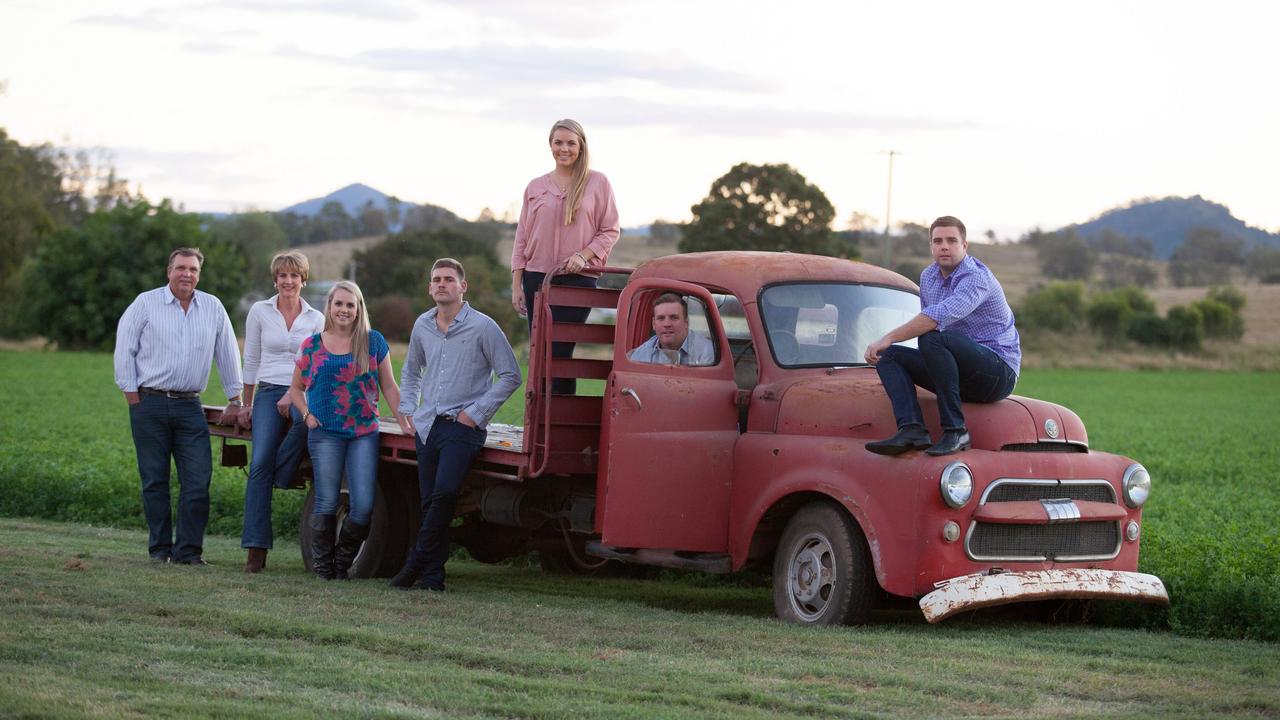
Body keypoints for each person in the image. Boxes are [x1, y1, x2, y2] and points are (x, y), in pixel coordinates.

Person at [390, 258, 520, 592]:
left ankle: (415, 563)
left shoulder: (483, 327)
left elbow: (510, 375)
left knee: (446, 492)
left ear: (463, 286)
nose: (442, 284)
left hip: (463, 428)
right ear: (430, 287)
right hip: (428, 425)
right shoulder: (423, 325)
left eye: (449, 279)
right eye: (436, 280)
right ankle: (433, 577)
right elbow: (411, 369)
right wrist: (407, 408)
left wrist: (475, 413)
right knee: (429, 500)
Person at [114, 248, 243, 565]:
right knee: (155, 481)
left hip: (189, 407)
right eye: (181, 268)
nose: (188, 274)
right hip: (150, 404)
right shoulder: (146, 303)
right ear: (169, 270)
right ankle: (160, 549)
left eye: (194, 269)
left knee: (198, 481)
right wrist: (133, 398)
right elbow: (124, 350)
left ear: (199, 274)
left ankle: (189, 552)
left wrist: (235, 397)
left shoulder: (212, 307)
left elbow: (227, 352)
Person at [863, 216, 1021, 457]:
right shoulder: (928, 277)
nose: (944, 246)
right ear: (931, 246)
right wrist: (889, 344)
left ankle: (956, 430)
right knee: (890, 356)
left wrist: (889, 336)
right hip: (958, 370)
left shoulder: (976, 278)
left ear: (964, 245)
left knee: (931, 338)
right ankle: (912, 429)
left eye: (951, 240)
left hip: (997, 372)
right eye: (937, 241)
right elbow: (930, 322)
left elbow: (936, 318)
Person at [288, 280, 405, 580]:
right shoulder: (312, 346)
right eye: (338, 304)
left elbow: (389, 386)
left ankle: (343, 562)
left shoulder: (373, 342)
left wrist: (405, 420)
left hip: (363, 433)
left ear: (358, 309)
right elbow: (296, 388)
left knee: (363, 506)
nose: (344, 310)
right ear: (329, 307)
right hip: (324, 432)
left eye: (350, 305)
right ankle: (325, 569)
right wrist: (305, 414)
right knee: (326, 501)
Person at [510, 118, 620, 394]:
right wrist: (517, 284)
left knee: (560, 350)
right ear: (550, 145)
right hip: (536, 278)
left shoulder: (598, 183)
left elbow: (610, 230)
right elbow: (522, 237)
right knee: (540, 353)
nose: (564, 148)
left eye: (571, 143)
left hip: (578, 279)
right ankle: (538, 421)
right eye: (558, 142)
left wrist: (584, 256)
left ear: (581, 146)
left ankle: (561, 421)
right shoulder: (535, 187)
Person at [236, 250, 325, 574]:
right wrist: (246, 404)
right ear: (275, 279)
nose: (288, 281)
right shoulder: (260, 311)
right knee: (258, 463)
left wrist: (295, 393)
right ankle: (255, 551)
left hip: (303, 391)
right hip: (268, 389)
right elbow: (252, 358)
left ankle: (281, 475)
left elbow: (317, 364)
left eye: (294, 275)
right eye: (282, 275)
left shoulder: (316, 318)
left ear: (303, 279)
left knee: (310, 424)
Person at [627, 292, 716, 366]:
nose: (667, 324)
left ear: (686, 322)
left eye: (674, 317)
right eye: (661, 318)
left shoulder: (706, 351)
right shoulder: (641, 354)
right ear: (653, 324)